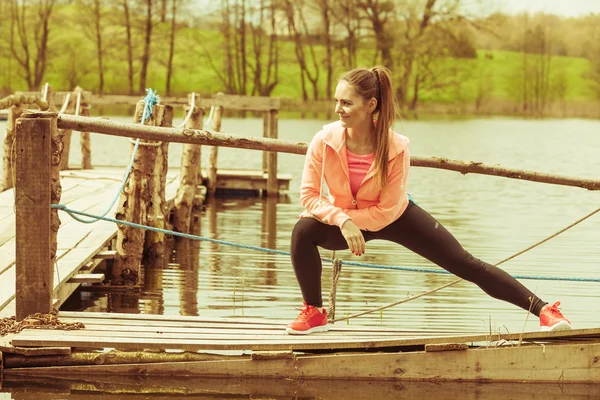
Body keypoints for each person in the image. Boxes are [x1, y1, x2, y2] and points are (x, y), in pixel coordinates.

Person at [285, 66, 572, 335]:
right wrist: (342, 220)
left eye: (346, 103)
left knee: (467, 264)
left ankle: (545, 310)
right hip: (348, 220)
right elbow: (309, 195)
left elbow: (385, 211)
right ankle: (314, 311)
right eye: (337, 101)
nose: (338, 109)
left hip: (397, 217)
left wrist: (346, 220)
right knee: (303, 231)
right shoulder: (323, 140)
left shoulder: (396, 147)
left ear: (370, 105)